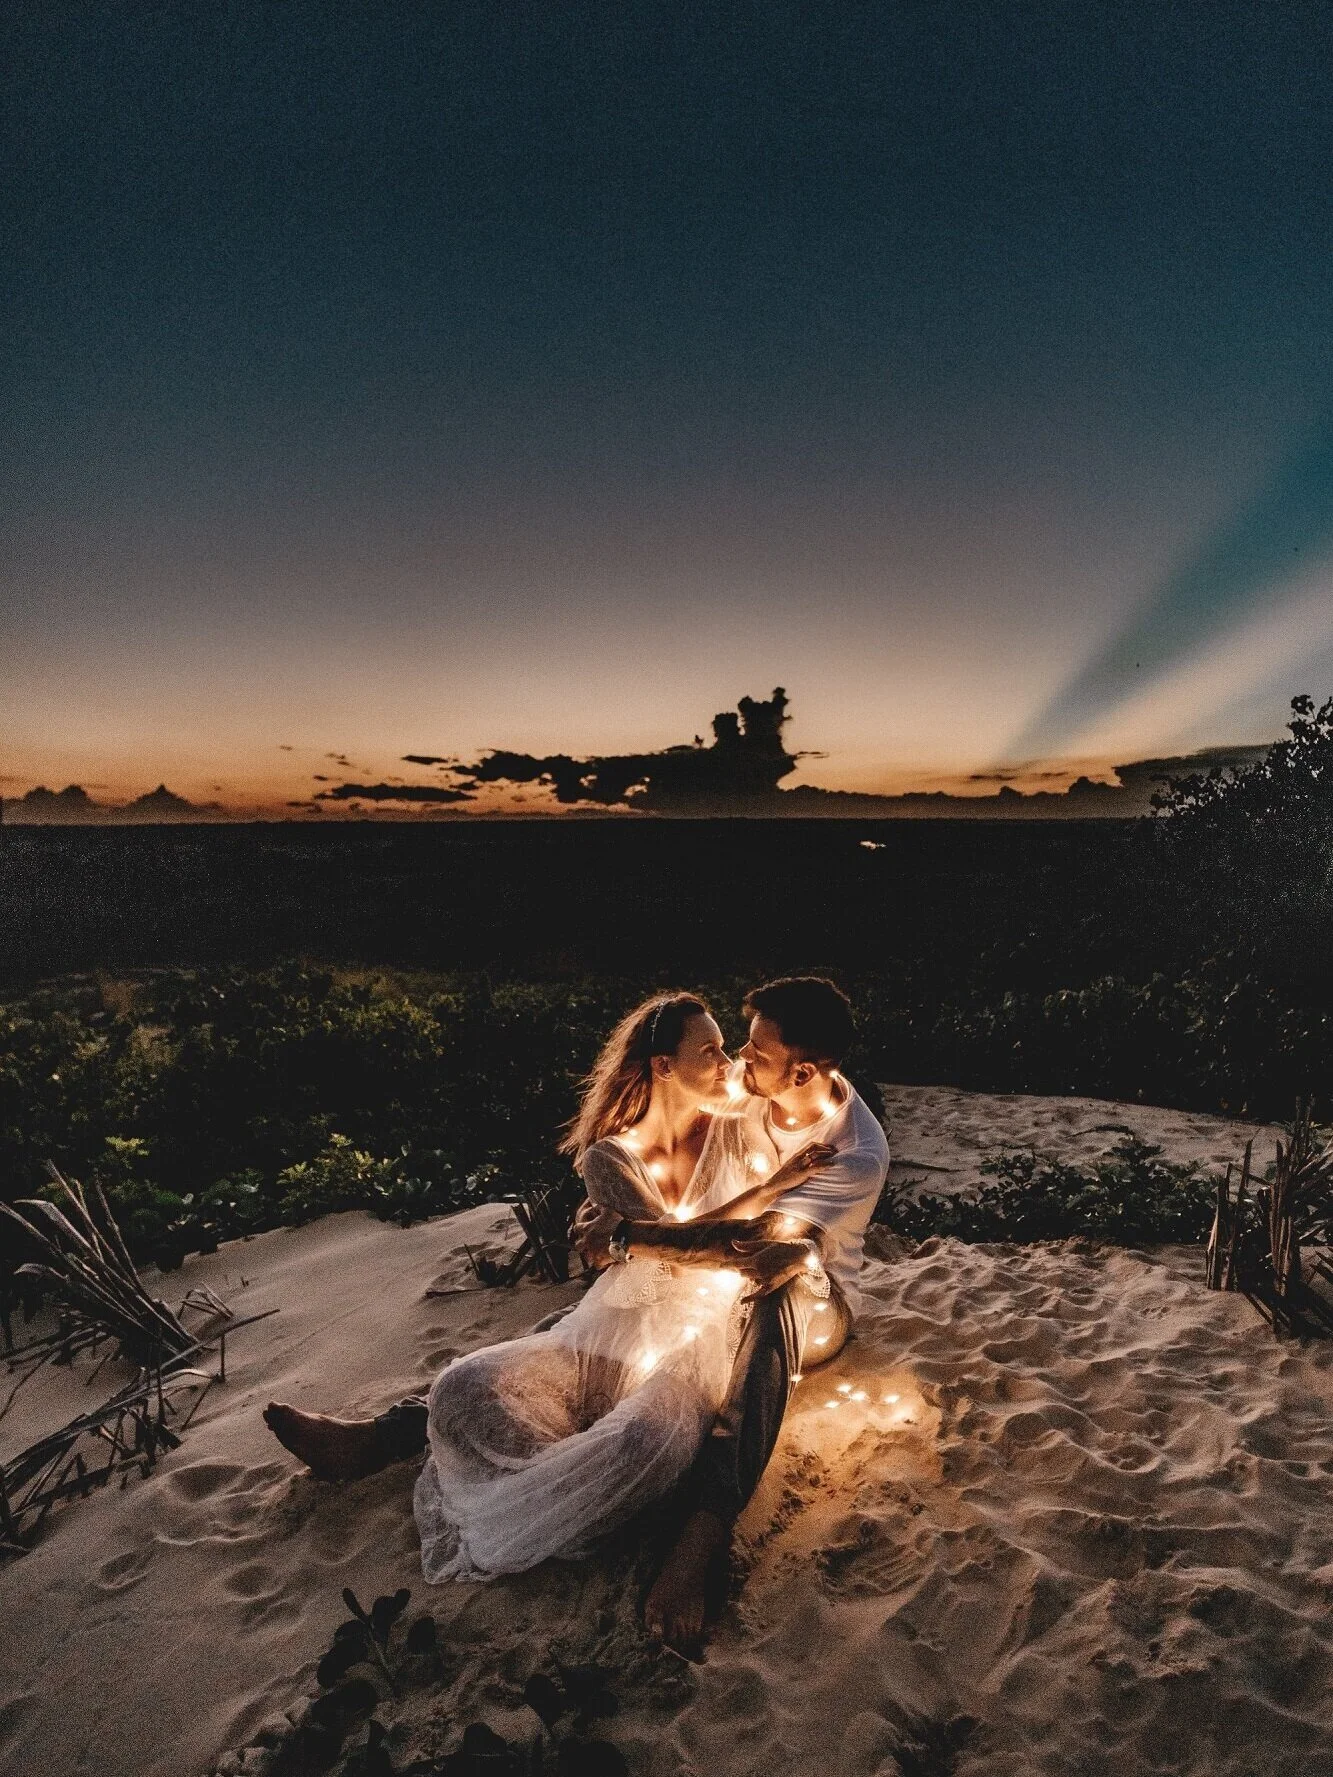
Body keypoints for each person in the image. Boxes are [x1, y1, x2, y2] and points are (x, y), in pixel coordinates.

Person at [262, 991, 834, 1584]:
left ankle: (386, 1441)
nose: (729, 1063)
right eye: (710, 1051)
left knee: (638, 1439)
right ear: (664, 1066)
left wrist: (635, 1232)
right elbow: (672, 1249)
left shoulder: (743, 1124)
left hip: (710, 1330)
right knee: (465, 1386)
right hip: (621, 1318)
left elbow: (821, 1100)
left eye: (726, 1049)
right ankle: (381, 1442)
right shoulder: (609, 1159)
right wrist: (750, 1195)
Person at [574, 975, 890, 1655]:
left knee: (773, 1280)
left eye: (757, 1053)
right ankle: (407, 1422)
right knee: (608, 1305)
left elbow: (756, 1249)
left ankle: (705, 1527)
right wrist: (611, 1206)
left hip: (815, 1307)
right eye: (739, 1047)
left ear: (802, 1070)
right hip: (713, 1280)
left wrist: (626, 1236)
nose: (741, 1064)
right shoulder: (750, 1094)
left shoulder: (855, 1149)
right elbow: (669, 1141)